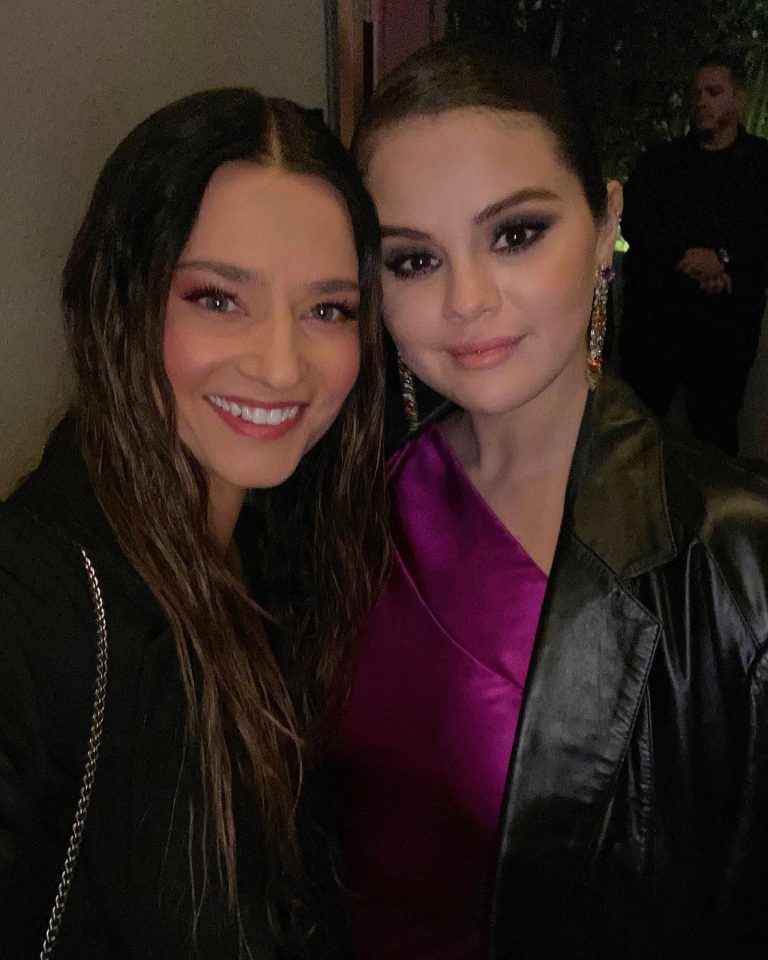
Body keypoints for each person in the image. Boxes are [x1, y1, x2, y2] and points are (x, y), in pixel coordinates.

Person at [331, 40, 768, 960]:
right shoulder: (347, 505)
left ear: (607, 223)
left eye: (515, 235)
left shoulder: (738, 559)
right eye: (413, 260)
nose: (467, 300)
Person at [0, 88, 387, 958]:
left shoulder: (291, 555)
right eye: (218, 298)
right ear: (122, 298)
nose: (282, 365)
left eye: (327, 309)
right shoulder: (35, 602)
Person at [620, 51, 768, 457]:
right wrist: (687, 258)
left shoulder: (761, 167)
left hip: (725, 334)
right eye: (697, 92)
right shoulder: (662, 163)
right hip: (656, 326)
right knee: (635, 433)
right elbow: (635, 221)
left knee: (714, 438)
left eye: (714, 92)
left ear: (738, 98)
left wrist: (723, 257)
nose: (701, 101)